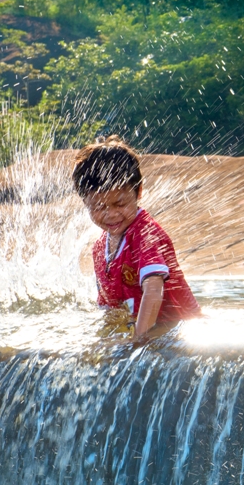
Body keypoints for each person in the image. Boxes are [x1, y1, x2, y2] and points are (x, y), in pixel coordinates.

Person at [72, 136, 200, 340]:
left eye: (120, 204)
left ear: (138, 192)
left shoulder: (145, 235)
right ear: (86, 203)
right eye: (99, 207)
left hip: (180, 333)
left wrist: (139, 340)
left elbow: (153, 289)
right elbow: (110, 309)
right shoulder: (99, 249)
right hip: (151, 331)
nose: (111, 214)